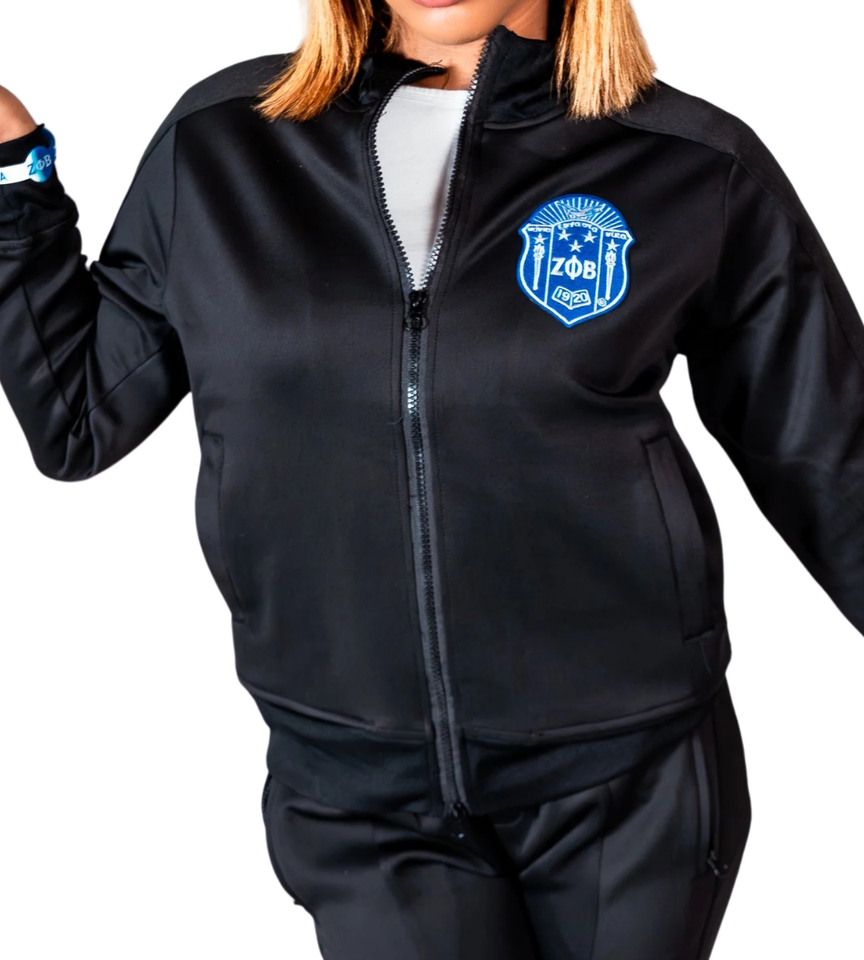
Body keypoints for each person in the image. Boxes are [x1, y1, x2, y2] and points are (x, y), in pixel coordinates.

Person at [1, 0, 861, 956]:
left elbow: (832, 459)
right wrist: (10, 174)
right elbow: (79, 417)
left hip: (627, 778)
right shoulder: (221, 147)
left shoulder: (687, 162)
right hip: (357, 792)